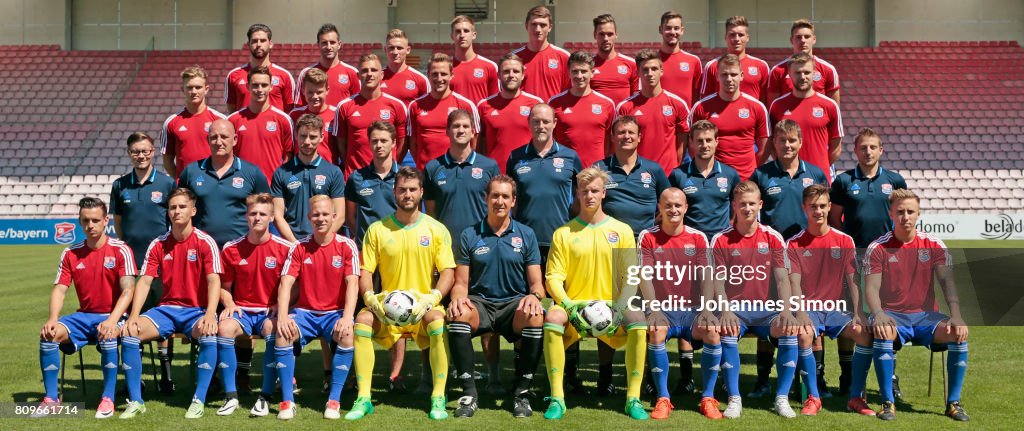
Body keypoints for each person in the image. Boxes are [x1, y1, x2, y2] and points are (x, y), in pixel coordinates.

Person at [346, 167, 457, 421]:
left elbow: (448, 271)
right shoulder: (377, 230)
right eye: (402, 190)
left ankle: (438, 395)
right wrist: (370, 298)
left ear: (421, 192)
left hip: (422, 306)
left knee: (438, 320)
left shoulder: (436, 229)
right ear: (394, 192)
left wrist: (433, 298)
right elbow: (365, 271)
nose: (407, 194)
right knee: (362, 321)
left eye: (412, 190)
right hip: (387, 307)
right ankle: (364, 398)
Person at [540, 167, 648, 420]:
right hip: (574, 305)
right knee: (552, 319)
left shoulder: (621, 230)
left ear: (603, 194)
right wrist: (567, 305)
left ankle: (633, 398)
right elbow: (553, 277)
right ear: (577, 194)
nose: (589, 195)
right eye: (584, 191)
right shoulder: (563, 233)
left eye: (594, 191)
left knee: (638, 320)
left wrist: (620, 307)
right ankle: (557, 398)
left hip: (612, 305)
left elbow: (631, 275)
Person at [865, 189, 970, 422]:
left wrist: (956, 315)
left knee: (957, 334)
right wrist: (879, 314)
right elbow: (871, 288)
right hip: (891, 315)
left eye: (910, 211)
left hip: (926, 317)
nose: (906, 217)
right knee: (883, 332)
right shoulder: (878, 247)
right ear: (891, 214)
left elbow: (947, 281)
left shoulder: (933, 244)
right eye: (900, 212)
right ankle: (887, 402)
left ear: (919, 213)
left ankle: (953, 403)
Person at [446, 175, 546, 418]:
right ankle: (468, 394)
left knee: (534, 316)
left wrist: (534, 296)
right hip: (480, 304)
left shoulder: (526, 234)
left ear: (513, 201)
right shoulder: (470, 234)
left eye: (505, 196)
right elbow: (460, 283)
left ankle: (521, 394)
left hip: (513, 305)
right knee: (458, 313)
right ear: (486, 199)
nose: (499, 201)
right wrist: (457, 297)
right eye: (495, 196)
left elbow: (537, 285)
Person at [117, 188, 222, 419]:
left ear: (193, 210)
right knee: (129, 334)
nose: (176, 211)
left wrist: (210, 314)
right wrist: (134, 315)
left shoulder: (206, 242)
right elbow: (144, 281)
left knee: (209, 334)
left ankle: (199, 399)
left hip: (197, 311)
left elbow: (214, 280)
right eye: (173, 207)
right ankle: (136, 400)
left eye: (182, 206)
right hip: (165, 310)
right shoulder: (158, 243)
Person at [708, 181, 803, 419]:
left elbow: (783, 280)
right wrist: (726, 310)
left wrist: (786, 310)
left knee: (789, 330)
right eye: (742, 204)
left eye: (752, 203)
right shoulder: (720, 239)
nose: (747, 208)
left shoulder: (773, 237)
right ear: (734, 206)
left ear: (760, 205)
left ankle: (781, 398)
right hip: (735, 309)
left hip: (767, 310)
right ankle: (734, 398)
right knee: (727, 331)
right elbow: (717, 282)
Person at [34, 197, 136, 419]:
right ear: (80, 221)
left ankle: (108, 398)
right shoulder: (71, 252)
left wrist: (111, 321)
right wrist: (52, 318)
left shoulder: (121, 249)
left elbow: (128, 291)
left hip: (114, 316)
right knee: (49, 335)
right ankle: (52, 399)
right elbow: (60, 289)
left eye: (95, 220)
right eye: (85, 221)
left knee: (108, 336)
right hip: (84, 317)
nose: (90, 225)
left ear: (105, 220)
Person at [829, 128, 908, 400]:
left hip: (887, 259)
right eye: (863, 147)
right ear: (856, 150)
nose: (868, 152)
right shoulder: (842, 181)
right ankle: (847, 373)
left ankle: (892, 376)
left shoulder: (895, 180)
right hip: (853, 259)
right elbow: (834, 219)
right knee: (851, 315)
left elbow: (901, 215)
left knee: (889, 315)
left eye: (873, 147)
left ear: (881, 150)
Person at [785, 184, 875, 417]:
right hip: (809, 309)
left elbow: (853, 280)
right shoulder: (794, 243)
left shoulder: (844, 241)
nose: (819, 211)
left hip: (836, 310)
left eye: (823, 206)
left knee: (863, 332)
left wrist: (858, 312)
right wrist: (800, 311)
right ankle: (814, 397)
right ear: (805, 208)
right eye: (813, 206)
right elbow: (793, 282)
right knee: (803, 333)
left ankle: (855, 397)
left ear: (830, 207)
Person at [271, 195, 361, 420]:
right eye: (316, 215)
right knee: (282, 335)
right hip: (305, 314)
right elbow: (286, 283)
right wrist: (283, 317)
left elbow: (353, 284)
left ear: (333, 216)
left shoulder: (347, 246)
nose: (320, 219)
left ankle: (334, 400)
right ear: (309, 217)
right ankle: (287, 401)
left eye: (325, 214)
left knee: (347, 335)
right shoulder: (299, 247)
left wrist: (348, 317)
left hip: (335, 314)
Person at [636, 188, 720, 420]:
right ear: (660, 208)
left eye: (677, 205)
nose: (673, 209)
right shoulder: (648, 236)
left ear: (685, 208)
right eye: (668, 205)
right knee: (655, 329)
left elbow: (707, 276)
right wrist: (653, 310)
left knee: (712, 329)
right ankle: (663, 398)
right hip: (663, 309)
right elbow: (645, 276)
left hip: (691, 311)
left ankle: (708, 397)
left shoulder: (698, 237)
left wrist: (706, 309)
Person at [209, 193, 294, 417]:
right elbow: (223, 286)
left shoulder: (285, 249)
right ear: (246, 216)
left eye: (262, 214)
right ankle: (231, 396)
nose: (257, 218)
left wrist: (279, 305)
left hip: (269, 312)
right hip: (243, 311)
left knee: (271, 330)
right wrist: (229, 302)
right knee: (224, 328)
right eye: (253, 213)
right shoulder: (231, 248)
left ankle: (265, 396)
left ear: (272, 218)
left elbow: (295, 287)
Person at [110, 132, 177, 393]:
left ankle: (166, 376)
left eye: (146, 151)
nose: (141, 155)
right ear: (129, 153)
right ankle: (134, 378)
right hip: (130, 265)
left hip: (160, 266)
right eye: (136, 151)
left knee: (163, 321)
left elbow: (173, 222)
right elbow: (118, 223)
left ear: (153, 152)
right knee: (129, 320)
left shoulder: (167, 183)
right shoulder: (119, 185)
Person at [507, 104, 583, 268]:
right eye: (536, 122)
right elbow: (511, 199)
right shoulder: (515, 157)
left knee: (558, 290)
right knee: (529, 291)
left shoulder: (570, 156)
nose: (541, 126)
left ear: (554, 123)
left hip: (561, 237)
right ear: (528, 122)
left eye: (546, 122)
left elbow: (581, 196)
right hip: (525, 239)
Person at [178, 119, 271, 248]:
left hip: (241, 251)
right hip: (201, 250)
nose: (219, 142)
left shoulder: (252, 172)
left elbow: (266, 211)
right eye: (214, 137)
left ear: (235, 140)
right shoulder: (191, 172)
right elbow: (180, 209)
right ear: (208, 140)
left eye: (224, 137)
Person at [424, 109, 499, 252]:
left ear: (472, 132)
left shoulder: (489, 166)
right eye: (456, 126)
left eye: (465, 126)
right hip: (445, 247)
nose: (461, 130)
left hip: (482, 245)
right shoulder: (433, 168)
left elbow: (496, 208)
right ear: (447, 131)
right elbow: (430, 214)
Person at [690, 53, 770, 180]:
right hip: (713, 178)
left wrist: (751, 169)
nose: (729, 79)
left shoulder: (757, 107)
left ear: (742, 76)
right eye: (724, 74)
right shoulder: (701, 107)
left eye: (733, 74)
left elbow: (764, 149)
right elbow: (692, 145)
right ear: (717, 76)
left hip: (747, 177)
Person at [768, 52, 843, 183]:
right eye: (797, 73)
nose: (802, 77)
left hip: (818, 179)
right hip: (786, 178)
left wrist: (817, 170)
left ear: (814, 74)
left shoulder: (829, 105)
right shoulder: (777, 106)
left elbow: (836, 147)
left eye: (807, 72)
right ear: (790, 75)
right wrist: (785, 167)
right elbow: (772, 144)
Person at [272, 114, 346, 243]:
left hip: (324, 244)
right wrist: (294, 243)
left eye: (312, 137)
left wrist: (322, 240)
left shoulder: (334, 172)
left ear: (321, 137)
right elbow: (277, 215)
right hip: (292, 243)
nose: (307, 142)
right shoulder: (281, 172)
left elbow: (339, 216)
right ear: (296, 135)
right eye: (303, 136)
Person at [615, 48, 690, 175]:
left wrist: (675, 169)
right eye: (645, 69)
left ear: (661, 71)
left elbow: (682, 143)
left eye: (654, 69)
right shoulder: (625, 107)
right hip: (637, 175)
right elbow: (619, 144)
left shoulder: (678, 104)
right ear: (638, 73)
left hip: (668, 174)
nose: (650, 73)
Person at [333, 53, 409, 178]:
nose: (369, 74)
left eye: (374, 70)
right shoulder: (344, 106)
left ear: (382, 74)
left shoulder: (397, 105)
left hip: (388, 177)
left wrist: (390, 163)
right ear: (358, 76)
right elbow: (341, 144)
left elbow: (402, 142)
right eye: (364, 71)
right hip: (356, 177)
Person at [593, 115, 669, 237]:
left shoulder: (654, 169)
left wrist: (654, 226)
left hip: (645, 241)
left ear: (639, 137)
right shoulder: (599, 168)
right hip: (610, 240)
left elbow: (668, 202)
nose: (627, 136)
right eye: (621, 132)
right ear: (612, 137)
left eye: (631, 132)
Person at [751, 120, 828, 239]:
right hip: (772, 245)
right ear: (774, 142)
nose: (787, 145)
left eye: (792, 140)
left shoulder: (816, 174)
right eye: (782, 140)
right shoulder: (760, 175)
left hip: (808, 245)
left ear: (800, 142)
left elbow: (827, 212)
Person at [668, 120, 740, 239]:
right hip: (689, 243)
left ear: (716, 142)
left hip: (721, 243)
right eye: (700, 141)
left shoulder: (730, 174)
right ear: (691, 142)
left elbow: (738, 205)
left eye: (709, 140)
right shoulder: (678, 175)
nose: (705, 145)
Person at [408, 53, 480, 169]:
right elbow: (413, 144)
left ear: (451, 75)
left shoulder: (466, 105)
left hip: (456, 171)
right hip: (426, 173)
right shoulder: (415, 106)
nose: (439, 79)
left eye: (444, 74)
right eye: (435, 74)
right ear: (428, 75)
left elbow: (474, 141)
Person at [476, 54, 544, 173]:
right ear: (498, 75)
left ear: (522, 75)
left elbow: (544, 140)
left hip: (529, 173)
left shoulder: (536, 104)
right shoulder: (484, 105)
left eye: (516, 71)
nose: (511, 75)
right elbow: (479, 146)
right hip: (495, 175)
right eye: (506, 71)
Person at [548, 51, 616, 167]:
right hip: (565, 170)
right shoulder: (555, 103)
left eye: (584, 71)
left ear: (592, 73)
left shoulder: (607, 104)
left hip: (596, 171)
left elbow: (610, 141)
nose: (579, 76)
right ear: (568, 73)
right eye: (575, 71)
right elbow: (550, 139)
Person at [227, 66, 295, 183]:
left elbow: (288, 157)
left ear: (271, 87)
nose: (260, 89)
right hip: (242, 186)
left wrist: (280, 182)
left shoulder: (283, 120)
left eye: (264, 85)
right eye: (255, 85)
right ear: (248, 86)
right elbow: (228, 156)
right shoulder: (233, 120)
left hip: (272, 187)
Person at [162, 66, 228, 178]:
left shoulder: (220, 120)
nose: (194, 92)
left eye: (198, 87)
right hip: (187, 189)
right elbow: (167, 160)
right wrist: (180, 180)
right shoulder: (171, 122)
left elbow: (230, 154)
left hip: (214, 184)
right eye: (189, 87)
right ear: (183, 90)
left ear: (206, 89)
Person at [344, 121, 398, 246]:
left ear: (394, 143)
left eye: (384, 141)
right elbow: (351, 218)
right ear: (369, 143)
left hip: (397, 248)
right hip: (367, 251)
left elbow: (412, 215)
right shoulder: (356, 178)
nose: (379, 145)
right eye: (374, 141)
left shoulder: (405, 177)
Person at [767, 19, 840, 105]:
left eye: (807, 36)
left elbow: (834, 107)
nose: (803, 40)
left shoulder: (828, 70)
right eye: (798, 37)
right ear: (791, 40)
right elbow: (772, 107)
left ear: (814, 39)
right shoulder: (778, 70)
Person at [225, 23, 295, 113]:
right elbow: (232, 110)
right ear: (248, 44)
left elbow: (289, 110)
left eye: (262, 41)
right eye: (254, 41)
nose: (258, 44)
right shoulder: (233, 75)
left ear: (270, 44)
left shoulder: (285, 76)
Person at [699, 16, 770, 103]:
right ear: (725, 37)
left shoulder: (761, 66)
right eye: (732, 35)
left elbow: (766, 101)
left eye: (741, 35)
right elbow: (705, 101)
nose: (737, 39)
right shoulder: (712, 66)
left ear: (747, 38)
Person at [511, 5, 570, 101]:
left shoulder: (563, 57)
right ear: (526, 26)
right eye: (534, 24)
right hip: (524, 114)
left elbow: (569, 91)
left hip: (552, 114)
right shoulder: (514, 58)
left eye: (543, 25)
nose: (538, 29)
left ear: (550, 27)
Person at [295, 23, 360, 108]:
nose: (329, 47)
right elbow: (299, 107)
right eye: (324, 43)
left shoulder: (352, 72)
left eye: (332, 42)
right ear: (318, 45)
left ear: (339, 44)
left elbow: (357, 105)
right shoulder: (306, 73)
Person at [289, 67, 340, 165]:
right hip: (299, 172)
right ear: (303, 91)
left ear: (327, 90)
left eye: (319, 92)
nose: (315, 97)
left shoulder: (336, 114)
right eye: (310, 92)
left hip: (328, 174)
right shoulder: (294, 115)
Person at [450, 15, 499, 106]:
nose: (462, 35)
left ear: (474, 35)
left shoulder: (490, 66)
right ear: (452, 36)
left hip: (480, 120)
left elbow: (496, 100)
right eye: (457, 31)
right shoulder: (445, 68)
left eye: (466, 31)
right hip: (453, 119)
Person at [589, 14, 637, 105]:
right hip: (597, 118)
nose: (606, 38)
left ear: (616, 35)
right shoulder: (587, 66)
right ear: (595, 35)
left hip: (624, 118)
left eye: (610, 34)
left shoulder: (631, 64)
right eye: (601, 34)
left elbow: (637, 97)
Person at [656, 11, 702, 105]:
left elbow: (697, 96)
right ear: (660, 29)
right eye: (668, 28)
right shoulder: (651, 62)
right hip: (658, 117)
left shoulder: (694, 61)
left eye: (676, 28)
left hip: (685, 118)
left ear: (682, 30)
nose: (673, 32)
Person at [381, 28, 430, 105]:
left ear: (408, 50)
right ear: (385, 49)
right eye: (391, 48)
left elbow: (426, 111)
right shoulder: (376, 78)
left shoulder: (421, 80)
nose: (395, 52)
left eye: (399, 48)